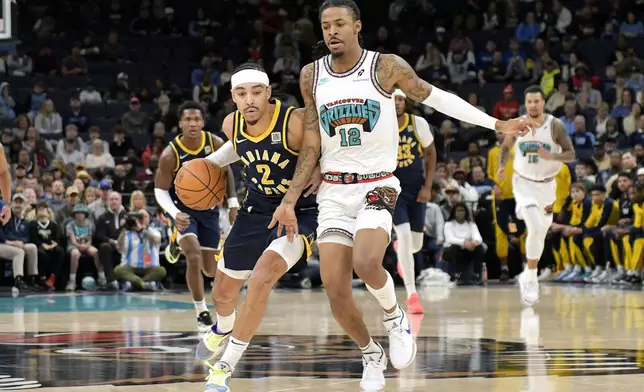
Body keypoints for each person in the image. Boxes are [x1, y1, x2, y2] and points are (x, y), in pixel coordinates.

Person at [269, 1, 536, 389]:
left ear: (357, 26)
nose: (332, 32)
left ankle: (396, 319)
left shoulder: (385, 66)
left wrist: (497, 123)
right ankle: (370, 354)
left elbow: (436, 96)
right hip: (333, 190)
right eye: (326, 26)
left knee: (366, 261)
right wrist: (292, 196)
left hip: (377, 182)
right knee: (334, 286)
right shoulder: (312, 74)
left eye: (340, 24)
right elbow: (312, 140)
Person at [192, 63, 320, 391]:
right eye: (241, 93)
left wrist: (323, 168)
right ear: (233, 97)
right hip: (255, 210)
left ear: (267, 93)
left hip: (300, 212)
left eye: (256, 92)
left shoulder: (293, 120)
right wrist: (209, 166)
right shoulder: (230, 123)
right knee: (222, 293)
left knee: (262, 278)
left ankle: (223, 367)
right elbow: (240, 147)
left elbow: (327, 144)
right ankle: (221, 328)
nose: (249, 99)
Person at [154, 101, 239, 332]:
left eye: (197, 119)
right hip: (184, 211)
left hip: (210, 211)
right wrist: (175, 213)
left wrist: (232, 203)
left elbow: (227, 171)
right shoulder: (170, 154)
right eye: (188, 119)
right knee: (192, 256)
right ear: (180, 123)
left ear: (202, 122)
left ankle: (175, 243)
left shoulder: (216, 143)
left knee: (210, 270)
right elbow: (160, 190)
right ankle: (201, 311)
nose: (192, 123)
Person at [498, 85, 575, 306]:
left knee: (540, 232)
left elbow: (570, 154)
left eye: (536, 101)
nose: (532, 105)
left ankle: (528, 274)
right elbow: (505, 147)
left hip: (547, 188)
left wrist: (551, 155)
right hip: (523, 184)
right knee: (533, 225)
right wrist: (503, 166)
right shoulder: (518, 124)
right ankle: (531, 278)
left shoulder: (555, 125)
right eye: (529, 101)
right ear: (525, 103)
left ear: (543, 102)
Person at [391, 89, 436, 314]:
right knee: (406, 236)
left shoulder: (418, 123)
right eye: (393, 99)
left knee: (415, 245)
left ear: (405, 101)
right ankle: (412, 295)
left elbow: (430, 153)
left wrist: (428, 186)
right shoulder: (380, 125)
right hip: (392, 191)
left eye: (400, 99)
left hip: (416, 190)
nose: (397, 102)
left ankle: (400, 248)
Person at [113, 209, 166, 290]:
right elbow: (120, 247)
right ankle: (145, 284)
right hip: (131, 266)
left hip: (149, 266)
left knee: (161, 271)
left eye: (143, 217)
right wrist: (123, 229)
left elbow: (156, 240)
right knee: (118, 270)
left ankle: (135, 283)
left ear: (149, 219)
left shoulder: (154, 231)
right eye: (138, 217)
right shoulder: (127, 233)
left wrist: (142, 230)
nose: (141, 219)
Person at [28, 200, 64, 290]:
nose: (42, 210)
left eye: (44, 209)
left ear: (48, 213)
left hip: (51, 246)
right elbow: (34, 238)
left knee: (60, 251)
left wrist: (52, 245)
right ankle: (42, 278)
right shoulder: (33, 224)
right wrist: (43, 245)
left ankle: (53, 276)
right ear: (36, 213)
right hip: (39, 246)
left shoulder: (54, 225)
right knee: (41, 252)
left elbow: (57, 239)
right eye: (39, 209)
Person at [65, 203, 102, 291]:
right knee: (75, 254)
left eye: (82, 213)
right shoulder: (70, 225)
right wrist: (79, 245)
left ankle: (102, 277)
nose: (79, 215)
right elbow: (72, 239)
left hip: (86, 244)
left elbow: (90, 238)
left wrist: (86, 245)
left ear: (85, 214)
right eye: (77, 213)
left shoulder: (89, 224)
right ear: (74, 214)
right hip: (73, 245)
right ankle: (72, 280)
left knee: (95, 252)